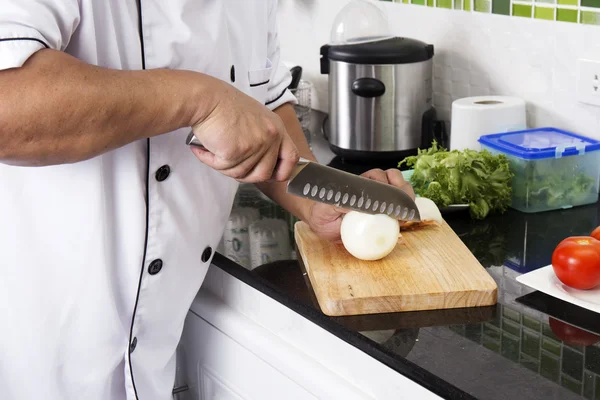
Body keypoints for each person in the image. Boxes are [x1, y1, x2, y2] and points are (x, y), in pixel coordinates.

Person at [0, 1, 414, 399]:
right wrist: (198, 99)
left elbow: (264, 103)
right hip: (42, 345)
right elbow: (8, 105)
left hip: (155, 347)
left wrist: (313, 200)